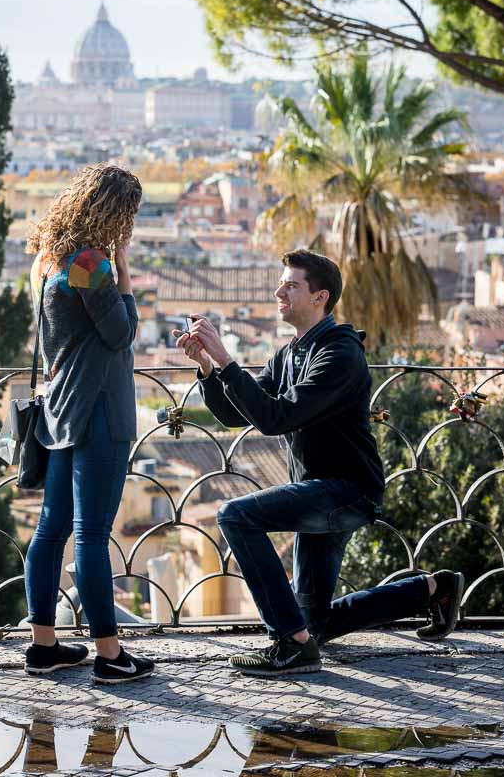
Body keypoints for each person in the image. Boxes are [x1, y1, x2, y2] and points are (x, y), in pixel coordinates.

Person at [174, 249, 464, 677]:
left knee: (234, 516)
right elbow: (241, 414)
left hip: (347, 491)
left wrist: (226, 359)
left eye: (290, 285)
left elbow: (277, 419)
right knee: (316, 622)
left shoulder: (340, 354)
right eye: (282, 283)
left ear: (320, 297)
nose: (279, 291)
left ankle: (289, 643)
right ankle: (432, 589)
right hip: (316, 493)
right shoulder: (289, 354)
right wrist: (206, 368)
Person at [22, 164, 154, 685]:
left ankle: (44, 646)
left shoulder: (49, 260)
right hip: (100, 411)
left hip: (60, 411)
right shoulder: (90, 263)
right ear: (116, 214)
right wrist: (124, 274)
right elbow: (121, 334)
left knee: (50, 530)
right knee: (93, 535)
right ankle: (110, 656)